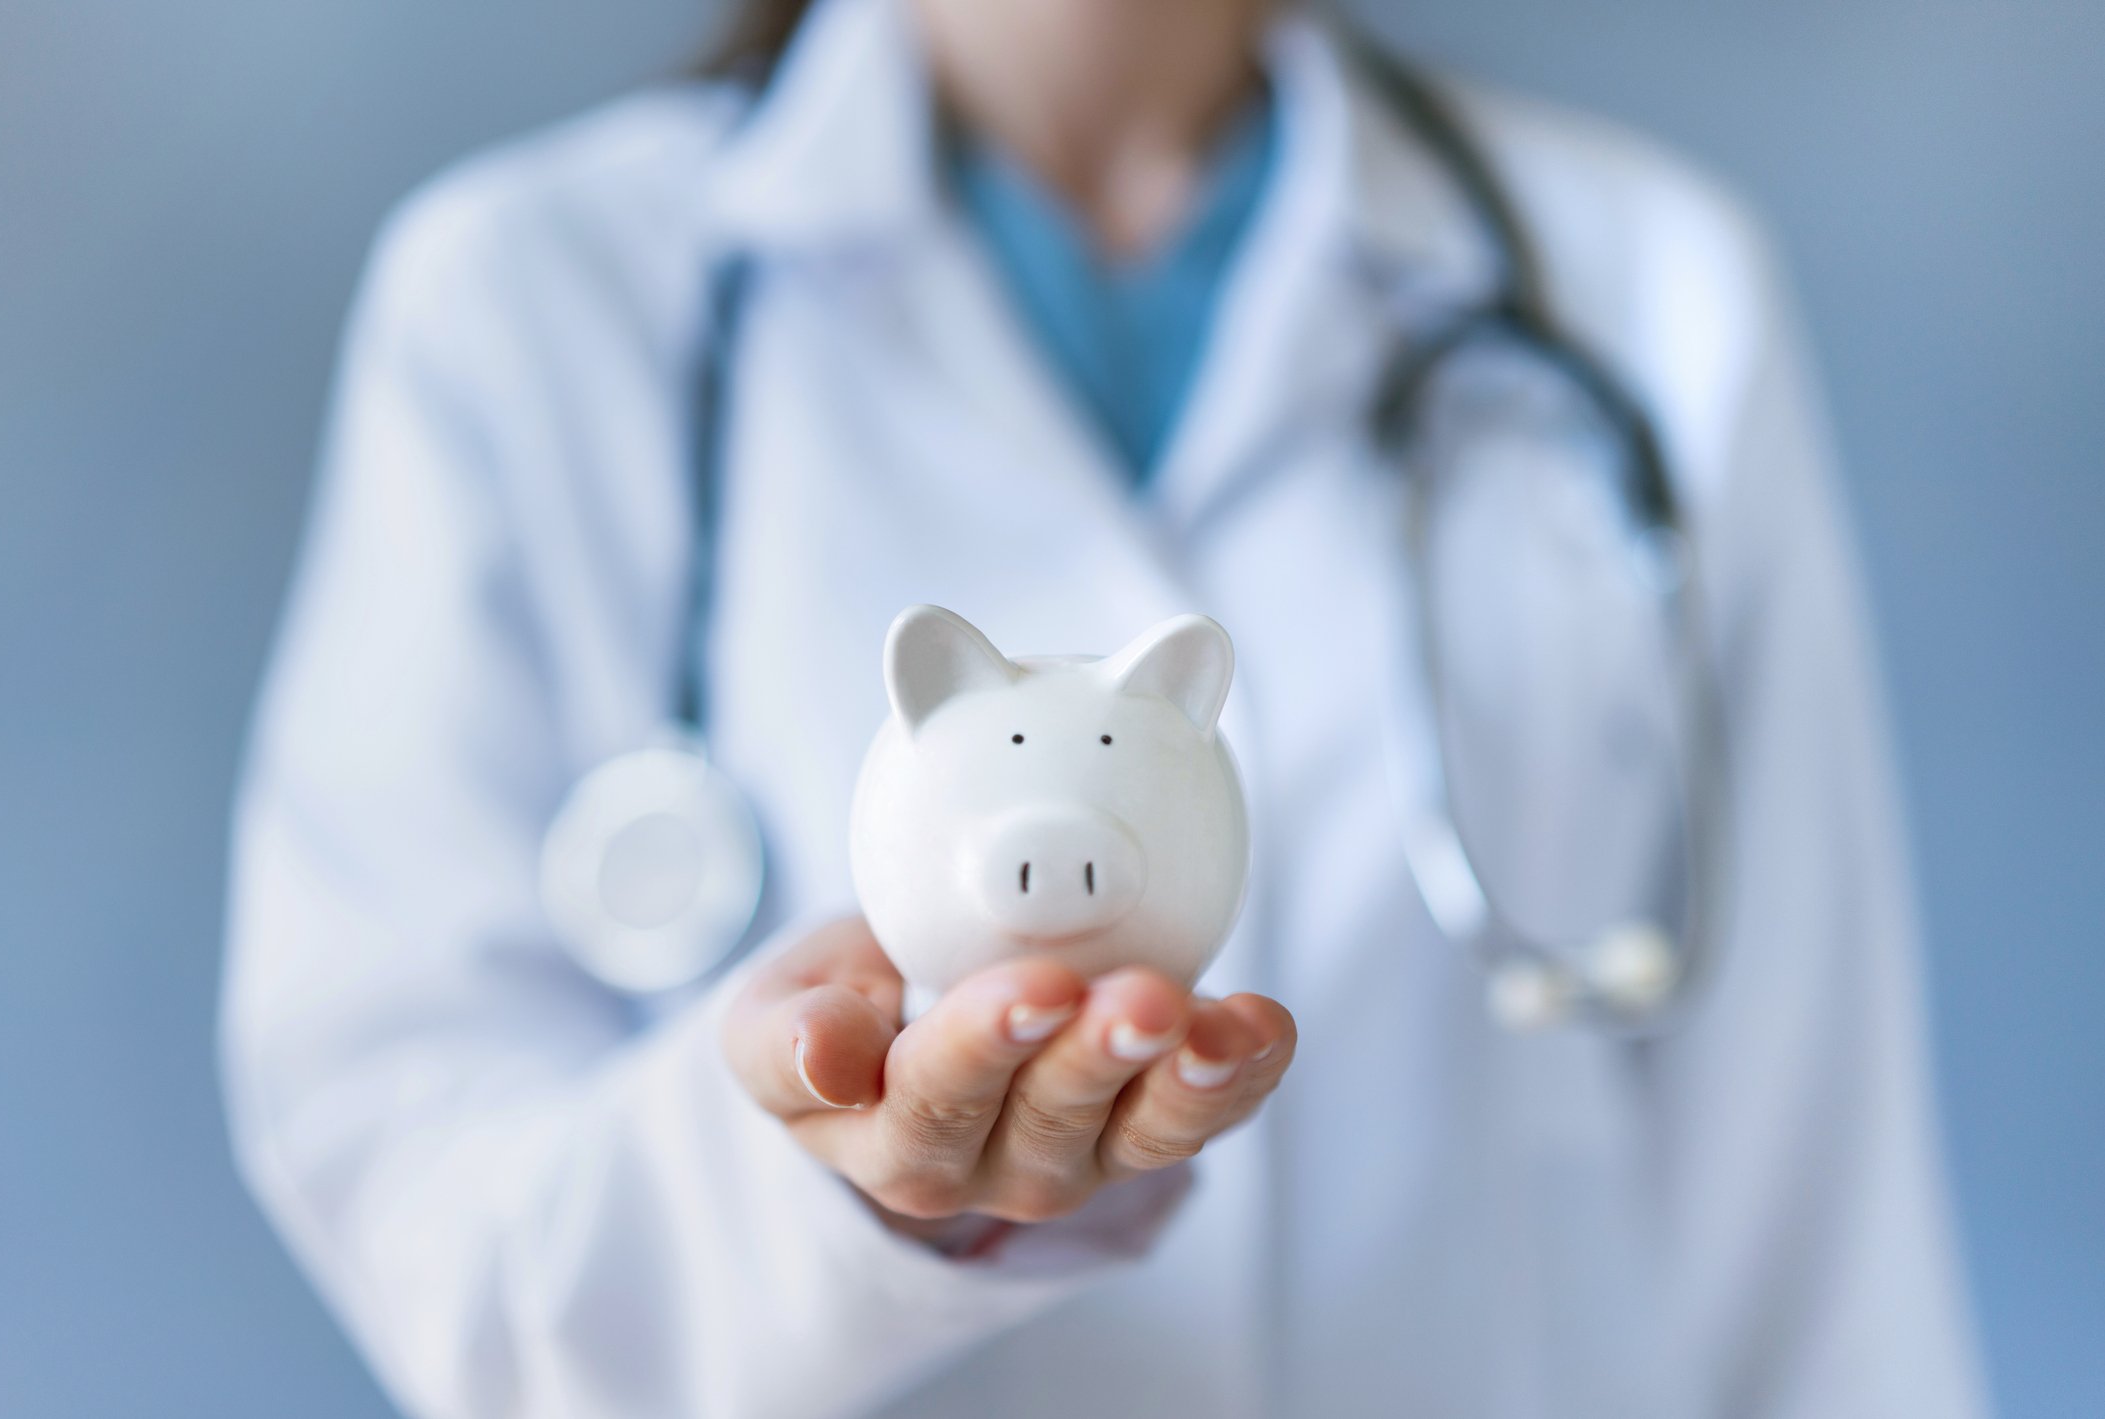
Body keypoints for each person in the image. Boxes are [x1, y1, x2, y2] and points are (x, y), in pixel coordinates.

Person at [221, 0, 1989, 1413]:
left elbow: (1819, 1234)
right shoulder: (528, 304)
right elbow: (424, 1201)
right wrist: (826, 1188)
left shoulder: (1643, 294)